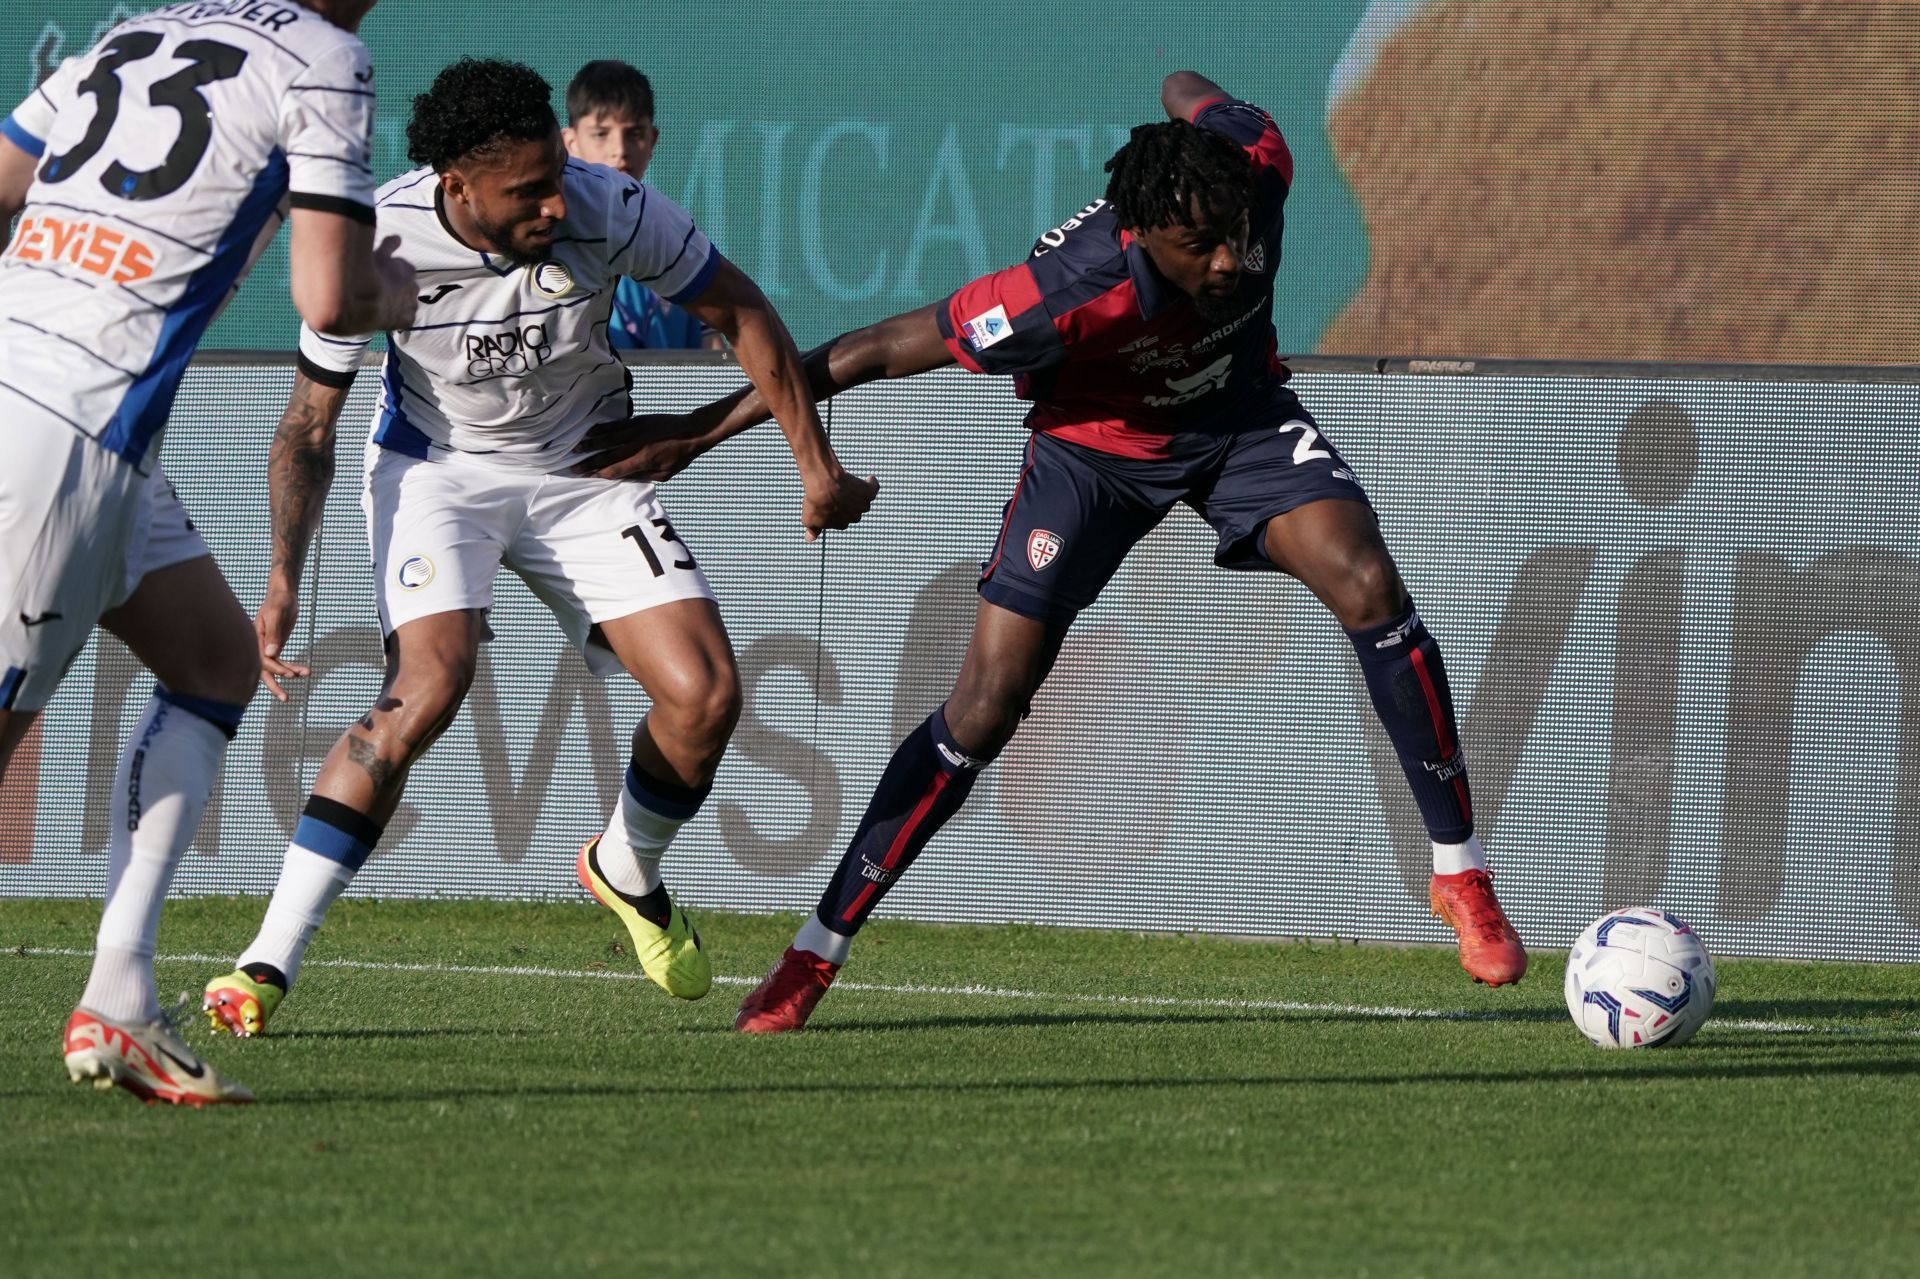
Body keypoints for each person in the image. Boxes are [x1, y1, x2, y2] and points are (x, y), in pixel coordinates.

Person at [576, 71, 1530, 1034]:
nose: (1233, 261)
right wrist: (693, 436)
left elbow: (1189, 90)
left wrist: (1188, 101)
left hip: (1239, 422)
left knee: (1368, 579)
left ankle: (1460, 872)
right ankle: (816, 950)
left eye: (1236, 232)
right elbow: (870, 349)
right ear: (1144, 231)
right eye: (1200, 245)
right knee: (985, 706)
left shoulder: (1256, 168)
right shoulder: (1063, 290)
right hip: (1093, 456)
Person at [200, 58, 877, 1039]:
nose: (556, 205)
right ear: (456, 186)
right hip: (439, 474)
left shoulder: (614, 206)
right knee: (426, 687)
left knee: (707, 697)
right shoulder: (377, 244)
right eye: (528, 192)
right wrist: (280, 578)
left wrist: (814, 466)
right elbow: (308, 426)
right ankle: (264, 962)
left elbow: (744, 314)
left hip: (583, 468)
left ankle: (625, 867)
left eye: (556, 176)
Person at [0, 0, 418, 1103]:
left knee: (216, 664)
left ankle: (120, 999)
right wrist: (400, 289)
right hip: (68, 425)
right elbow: (332, 293)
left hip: (65, 411)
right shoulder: (326, 57)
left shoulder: (135, 31)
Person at [561, 59, 715, 351]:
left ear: (652, 139)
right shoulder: (547, 238)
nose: (619, 150)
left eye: (634, 134)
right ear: (570, 142)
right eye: (600, 134)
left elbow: (712, 353)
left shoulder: (676, 238)